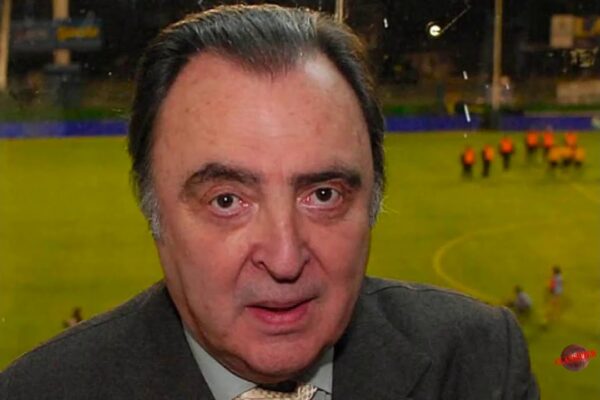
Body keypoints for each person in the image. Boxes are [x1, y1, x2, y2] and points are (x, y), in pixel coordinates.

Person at [0, 5, 538, 400]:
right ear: (153, 211)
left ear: (373, 202)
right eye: (226, 200)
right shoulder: (40, 392)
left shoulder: (478, 365)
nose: (284, 259)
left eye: (323, 195)